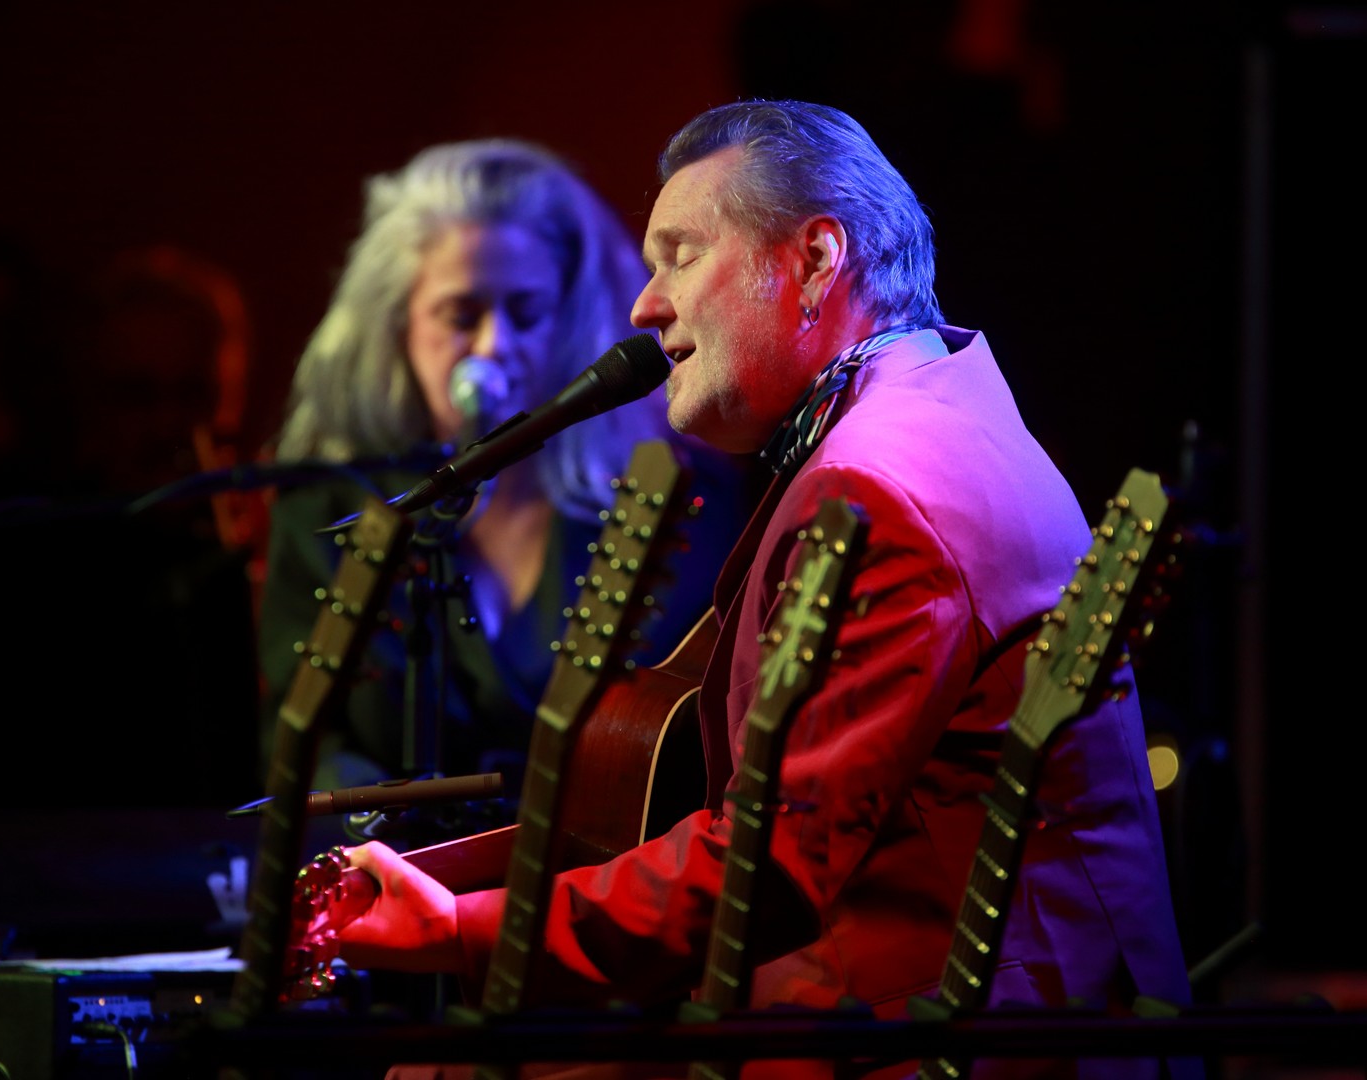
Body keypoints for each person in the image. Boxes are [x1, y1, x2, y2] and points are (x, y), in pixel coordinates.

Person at [331, 101, 1198, 1079]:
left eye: (681, 255)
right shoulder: (938, 407)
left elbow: (773, 861)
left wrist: (461, 928)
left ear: (816, 261)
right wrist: (449, 883)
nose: (644, 306)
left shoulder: (874, 484)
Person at [256, 139, 753, 854]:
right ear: (397, 326)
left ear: (570, 320)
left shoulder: (678, 497)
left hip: (594, 880)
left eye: (527, 312)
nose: (493, 346)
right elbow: (302, 741)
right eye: (460, 315)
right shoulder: (327, 508)